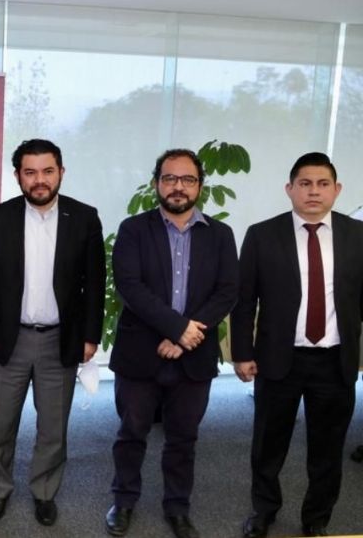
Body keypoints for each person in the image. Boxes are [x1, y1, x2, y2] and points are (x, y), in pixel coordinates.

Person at [105, 149, 239, 538]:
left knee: (184, 438)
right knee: (131, 434)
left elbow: (226, 291)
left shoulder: (221, 234)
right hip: (139, 354)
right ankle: (124, 501)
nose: (178, 186)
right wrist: (178, 328)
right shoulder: (133, 229)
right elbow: (131, 287)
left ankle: (177, 507)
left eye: (187, 179)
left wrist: (185, 337)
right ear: (156, 183)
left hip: (193, 357)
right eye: (169, 178)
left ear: (200, 185)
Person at [0, 139, 105, 525]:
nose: (39, 180)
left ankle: (45, 491)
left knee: (52, 427)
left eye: (48, 171)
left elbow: (95, 283)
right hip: (9, 339)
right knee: (1, 424)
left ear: (61, 172)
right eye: (30, 172)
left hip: (59, 341)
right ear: (18, 176)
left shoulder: (84, 217)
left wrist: (90, 336)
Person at [231, 152, 363, 538]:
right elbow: (245, 301)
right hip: (278, 360)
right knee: (268, 446)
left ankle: (316, 519)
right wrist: (242, 352)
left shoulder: (358, 236)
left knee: (327, 450)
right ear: (289, 189)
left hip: (335, 361)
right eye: (305, 184)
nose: (313, 192)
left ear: (337, 190)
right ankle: (264, 512)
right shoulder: (261, 234)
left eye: (323, 184)